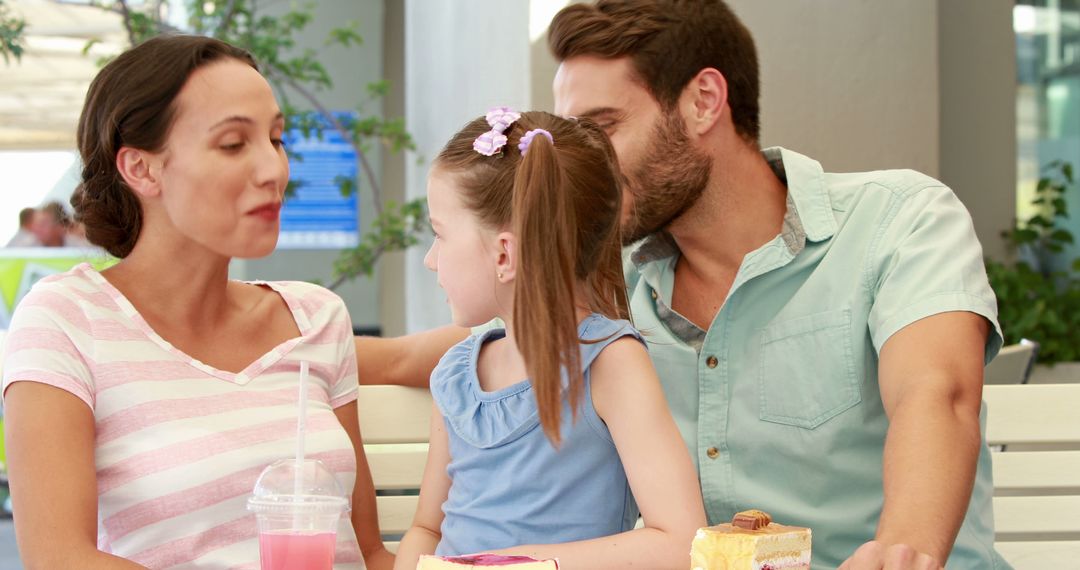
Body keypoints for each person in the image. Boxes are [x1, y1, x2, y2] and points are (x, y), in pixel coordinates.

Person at [361, 2, 1008, 569]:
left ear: (703, 102)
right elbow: (478, 341)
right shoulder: (616, 281)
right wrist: (289, 335)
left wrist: (902, 548)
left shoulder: (899, 219)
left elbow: (938, 395)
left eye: (603, 125)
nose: (572, 169)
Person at [2, 35, 392, 569]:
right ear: (141, 168)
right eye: (233, 144)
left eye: (276, 139)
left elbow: (368, 552)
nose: (274, 170)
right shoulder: (68, 319)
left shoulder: (315, 317)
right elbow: (58, 558)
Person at [392, 110, 705, 570]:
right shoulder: (456, 374)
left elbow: (680, 541)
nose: (431, 260)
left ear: (504, 254)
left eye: (440, 235)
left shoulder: (609, 363)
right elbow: (428, 528)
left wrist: (515, 565)